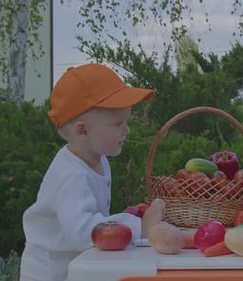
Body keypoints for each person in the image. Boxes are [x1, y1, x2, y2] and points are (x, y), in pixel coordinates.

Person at [19, 63, 165, 281]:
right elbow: (80, 232)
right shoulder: (71, 174)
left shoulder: (98, 160)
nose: (127, 130)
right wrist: (139, 227)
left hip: (76, 268)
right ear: (82, 131)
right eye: (118, 124)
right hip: (51, 275)